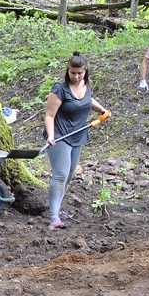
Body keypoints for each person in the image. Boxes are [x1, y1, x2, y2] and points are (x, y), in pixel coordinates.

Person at [44, 52, 110, 230]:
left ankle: (56, 208)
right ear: (68, 71)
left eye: (79, 73)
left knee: (70, 174)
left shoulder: (86, 85)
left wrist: (102, 110)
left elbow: (88, 100)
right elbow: (50, 115)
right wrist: (51, 135)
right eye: (72, 72)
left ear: (85, 71)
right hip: (59, 136)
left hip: (77, 136)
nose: (75, 76)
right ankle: (53, 217)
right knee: (61, 174)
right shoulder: (60, 89)